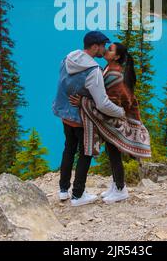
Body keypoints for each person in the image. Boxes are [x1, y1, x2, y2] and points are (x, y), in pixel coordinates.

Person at [70, 42, 151, 204]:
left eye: (111, 49)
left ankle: (121, 189)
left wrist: (84, 102)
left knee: (114, 153)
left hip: (115, 120)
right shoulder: (108, 68)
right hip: (113, 119)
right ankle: (116, 185)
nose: (107, 50)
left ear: (117, 56)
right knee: (112, 152)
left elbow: (110, 103)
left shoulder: (115, 75)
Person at [52, 31, 125, 207]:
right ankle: (78, 195)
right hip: (81, 119)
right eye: (102, 46)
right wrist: (121, 112)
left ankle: (63, 190)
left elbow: (63, 84)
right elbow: (102, 104)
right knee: (86, 153)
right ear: (94, 47)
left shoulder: (68, 58)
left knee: (68, 150)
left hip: (65, 116)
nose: (104, 49)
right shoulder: (93, 70)